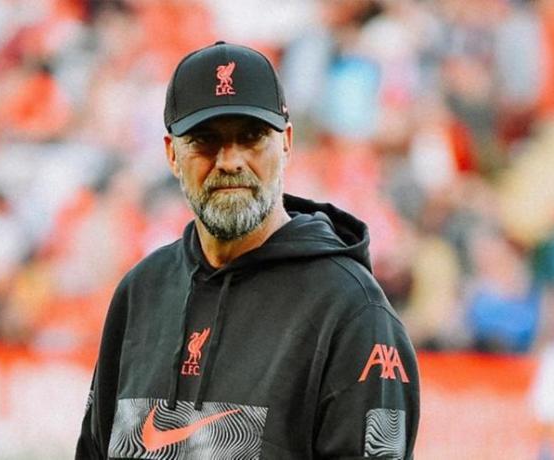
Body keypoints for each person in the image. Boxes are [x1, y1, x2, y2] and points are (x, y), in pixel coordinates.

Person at [76, 41, 419, 459]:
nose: (230, 161)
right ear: (171, 154)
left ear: (286, 142)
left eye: (252, 136)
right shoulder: (140, 292)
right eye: (205, 139)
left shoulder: (353, 311)